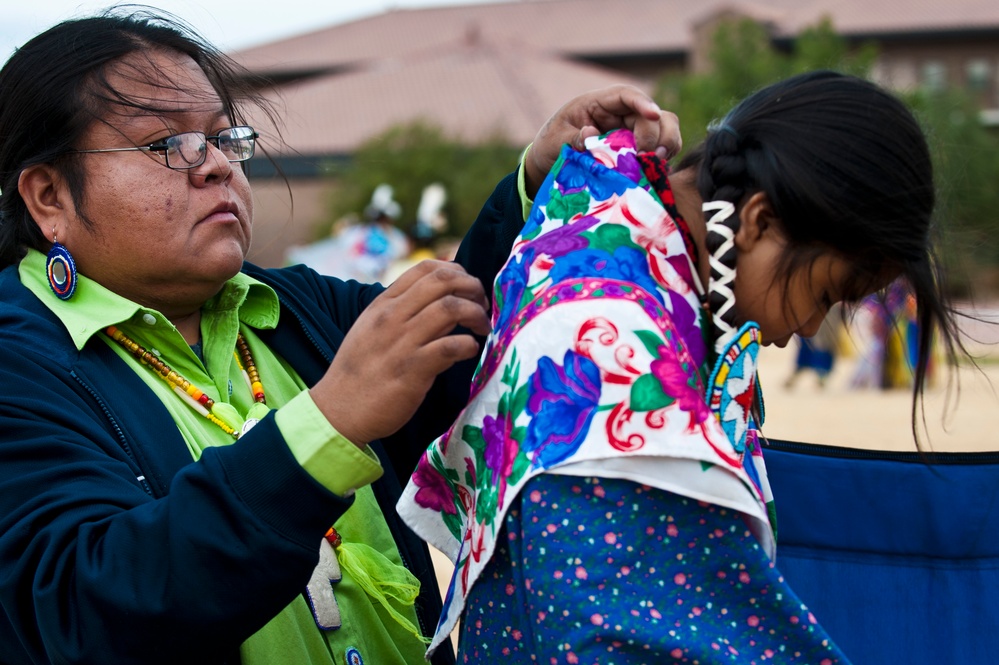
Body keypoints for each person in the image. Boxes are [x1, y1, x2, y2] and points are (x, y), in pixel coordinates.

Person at [0, 8, 682, 665]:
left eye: (221, 136)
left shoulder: (295, 304)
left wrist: (542, 186)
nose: (214, 165)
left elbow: (475, 347)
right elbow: (82, 609)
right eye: (164, 144)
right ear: (48, 197)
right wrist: (326, 424)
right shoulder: (19, 365)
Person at [398, 71, 964, 663]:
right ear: (760, 221)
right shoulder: (611, 352)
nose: (802, 329)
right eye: (824, 295)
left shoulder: (614, 218)